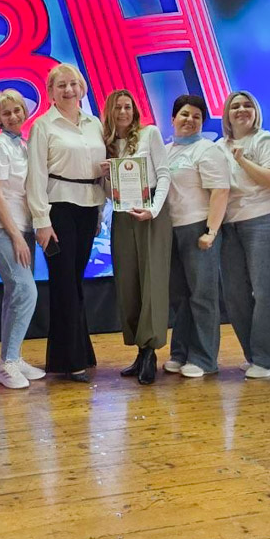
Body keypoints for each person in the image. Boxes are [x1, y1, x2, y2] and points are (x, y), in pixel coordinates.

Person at [26, 64, 107, 382]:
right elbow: (35, 175)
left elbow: (99, 171)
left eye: (73, 84)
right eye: (61, 85)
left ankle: (78, 353)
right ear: (50, 92)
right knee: (63, 282)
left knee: (75, 281)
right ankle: (70, 361)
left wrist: (99, 211)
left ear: (82, 88)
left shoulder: (94, 123)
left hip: (88, 208)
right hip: (57, 208)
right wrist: (41, 221)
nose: (69, 90)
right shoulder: (43, 126)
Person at [102, 89, 171, 385]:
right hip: (122, 214)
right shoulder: (107, 145)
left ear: (135, 110)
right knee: (128, 281)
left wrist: (154, 210)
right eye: (117, 107)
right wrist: (107, 177)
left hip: (151, 212)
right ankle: (140, 350)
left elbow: (164, 174)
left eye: (127, 107)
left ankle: (151, 351)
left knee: (152, 280)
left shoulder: (149, 134)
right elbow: (109, 193)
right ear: (109, 111)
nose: (123, 112)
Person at [219, 91, 270, 379]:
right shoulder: (218, 146)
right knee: (235, 295)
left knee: (265, 291)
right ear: (227, 114)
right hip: (228, 225)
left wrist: (243, 161)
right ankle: (253, 355)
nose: (242, 110)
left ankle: (269, 360)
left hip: (263, 220)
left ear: (256, 111)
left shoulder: (265, 140)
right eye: (235, 106)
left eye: (248, 105)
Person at [0, 90, 46, 389]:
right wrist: (16, 236)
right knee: (25, 290)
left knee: (15, 294)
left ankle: (13, 357)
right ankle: (6, 364)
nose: (13, 116)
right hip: (2, 229)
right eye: (6, 113)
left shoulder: (23, 144)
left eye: (17, 110)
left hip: (24, 227)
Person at [164, 94, 230, 378]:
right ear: (173, 119)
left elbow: (221, 191)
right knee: (180, 297)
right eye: (184, 114)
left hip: (198, 229)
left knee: (202, 296)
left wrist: (211, 231)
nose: (190, 120)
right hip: (171, 230)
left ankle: (204, 359)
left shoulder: (208, 150)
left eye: (196, 116)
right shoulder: (165, 151)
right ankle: (180, 353)